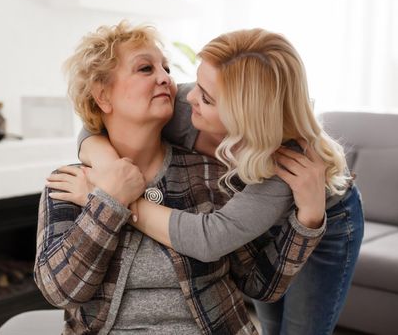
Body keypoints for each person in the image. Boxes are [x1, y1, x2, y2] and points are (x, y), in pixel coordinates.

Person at [55, 28, 364, 335]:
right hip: (247, 211)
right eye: (195, 82)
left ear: (245, 116)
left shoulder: (287, 160)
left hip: (320, 215)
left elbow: (210, 239)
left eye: (205, 97)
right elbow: (96, 124)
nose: (187, 96)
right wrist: (112, 171)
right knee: (270, 325)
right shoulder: (180, 107)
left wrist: (111, 197)